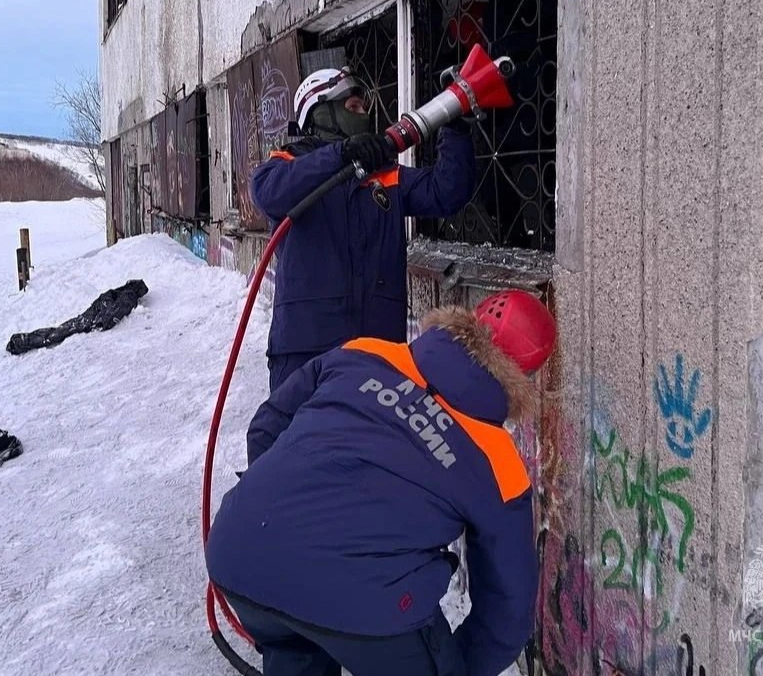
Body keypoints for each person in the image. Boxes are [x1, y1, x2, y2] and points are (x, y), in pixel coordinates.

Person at [205, 289, 557, 676]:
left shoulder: (363, 353)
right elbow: (507, 613)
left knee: (295, 638)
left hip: (241, 552)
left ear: (466, 321)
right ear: (526, 378)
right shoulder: (497, 462)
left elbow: (266, 427)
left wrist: (282, 521)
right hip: (365, 600)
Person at [251, 66, 478, 392]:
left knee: (373, 443)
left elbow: (446, 191)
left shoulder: (384, 176)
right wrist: (340, 154)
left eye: (364, 108)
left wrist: (455, 127)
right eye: (353, 107)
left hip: (378, 349)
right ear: (321, 112)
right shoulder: (289, 166)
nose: (364, 115)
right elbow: (267, 192)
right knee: (300, 440)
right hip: (306, 350)